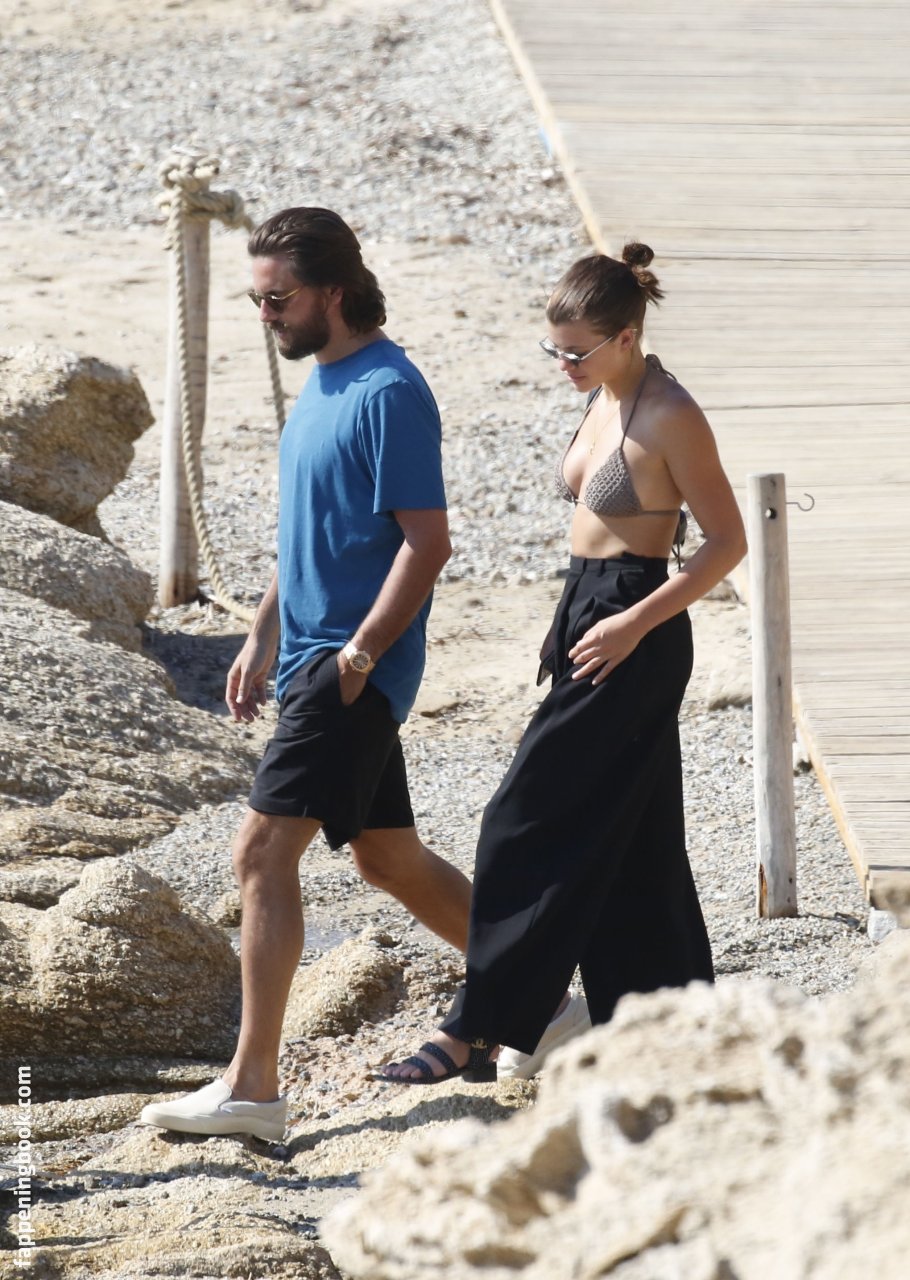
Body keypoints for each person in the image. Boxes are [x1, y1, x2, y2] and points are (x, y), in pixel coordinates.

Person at [140, 207, 473, 1140]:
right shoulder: (322, 385)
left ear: (334, 290)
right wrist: (259, 635)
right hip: (311, 658)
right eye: (257, 300)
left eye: (277, 299)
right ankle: (540, 997)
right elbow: (310, 537)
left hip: (348, 668)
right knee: (387, 857)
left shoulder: (388, 391)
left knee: (260, 854)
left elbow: (427, 543)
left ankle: (253, 1089)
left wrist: (359, 655)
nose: (266, 316)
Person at [382, 243, 747, 1083]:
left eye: (577, 352)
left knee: (519, 821)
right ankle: (669, 1030)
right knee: (638, 844)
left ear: (626, 338)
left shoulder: (670, 413)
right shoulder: (604, 396)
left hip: (635, 628)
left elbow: (726, 542)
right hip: (587, 614)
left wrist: (632, 626)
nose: (564, 365)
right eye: (555, 350)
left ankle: (477, 1026)